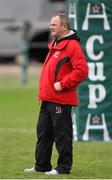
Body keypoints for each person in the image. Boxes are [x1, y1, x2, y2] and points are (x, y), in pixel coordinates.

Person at [24, 12, 88, 175]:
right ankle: (41, 165)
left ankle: (63, 167)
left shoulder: (72, 46)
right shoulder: (55, 44)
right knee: (43, 134)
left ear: (64, 26)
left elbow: (82, 71)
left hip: (61, 100)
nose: (50, 27)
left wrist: (63, 84)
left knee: (62, 135)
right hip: (47, 99)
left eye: (54, 24)